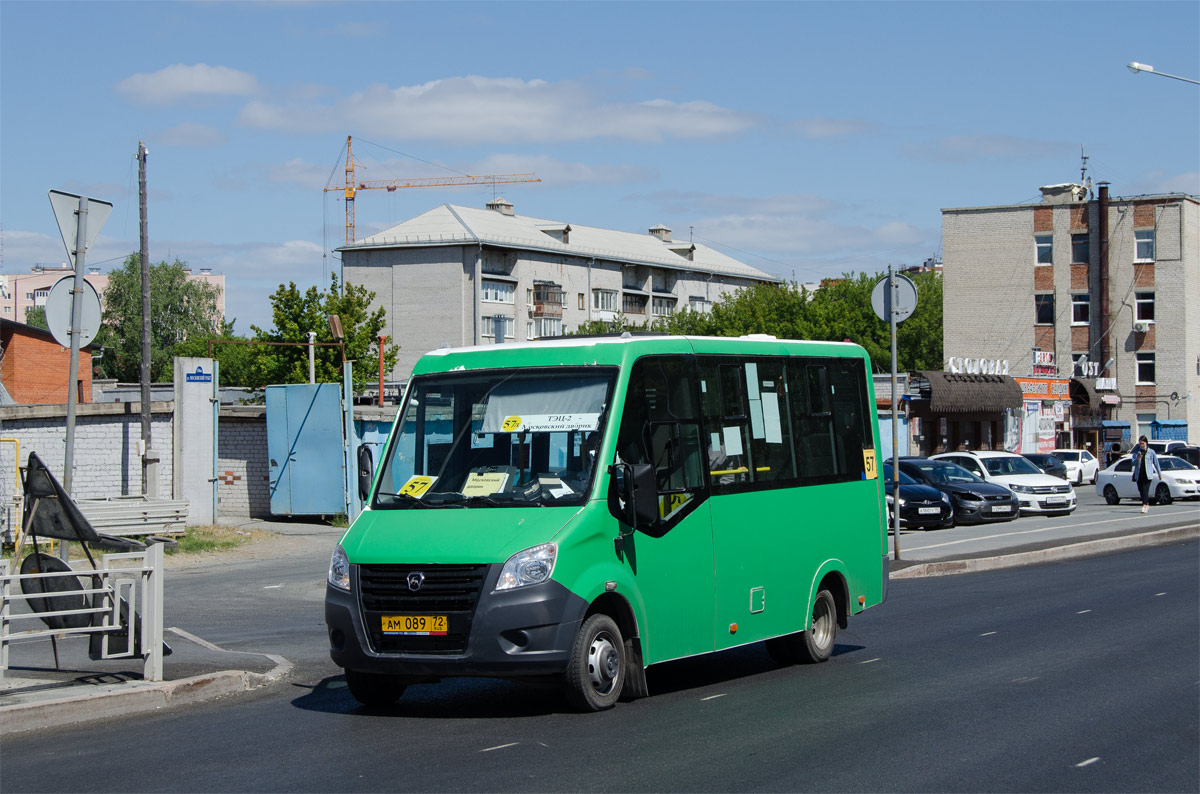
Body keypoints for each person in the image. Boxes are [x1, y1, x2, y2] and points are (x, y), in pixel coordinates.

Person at [1129, 436, 1162, 514]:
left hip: (1148, 474)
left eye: (1142, 443)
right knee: (1141, 490)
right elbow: (1132, 463)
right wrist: (1137, 458)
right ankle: (1146, 503)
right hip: (1139, 474)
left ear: (1146, 443)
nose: (1141, 445)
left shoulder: (1151, 452)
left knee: (1145, 490)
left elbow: (1156, 463)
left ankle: (1144, 505)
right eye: (1140, 443)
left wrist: (1159, 473)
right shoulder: (1137, 452)